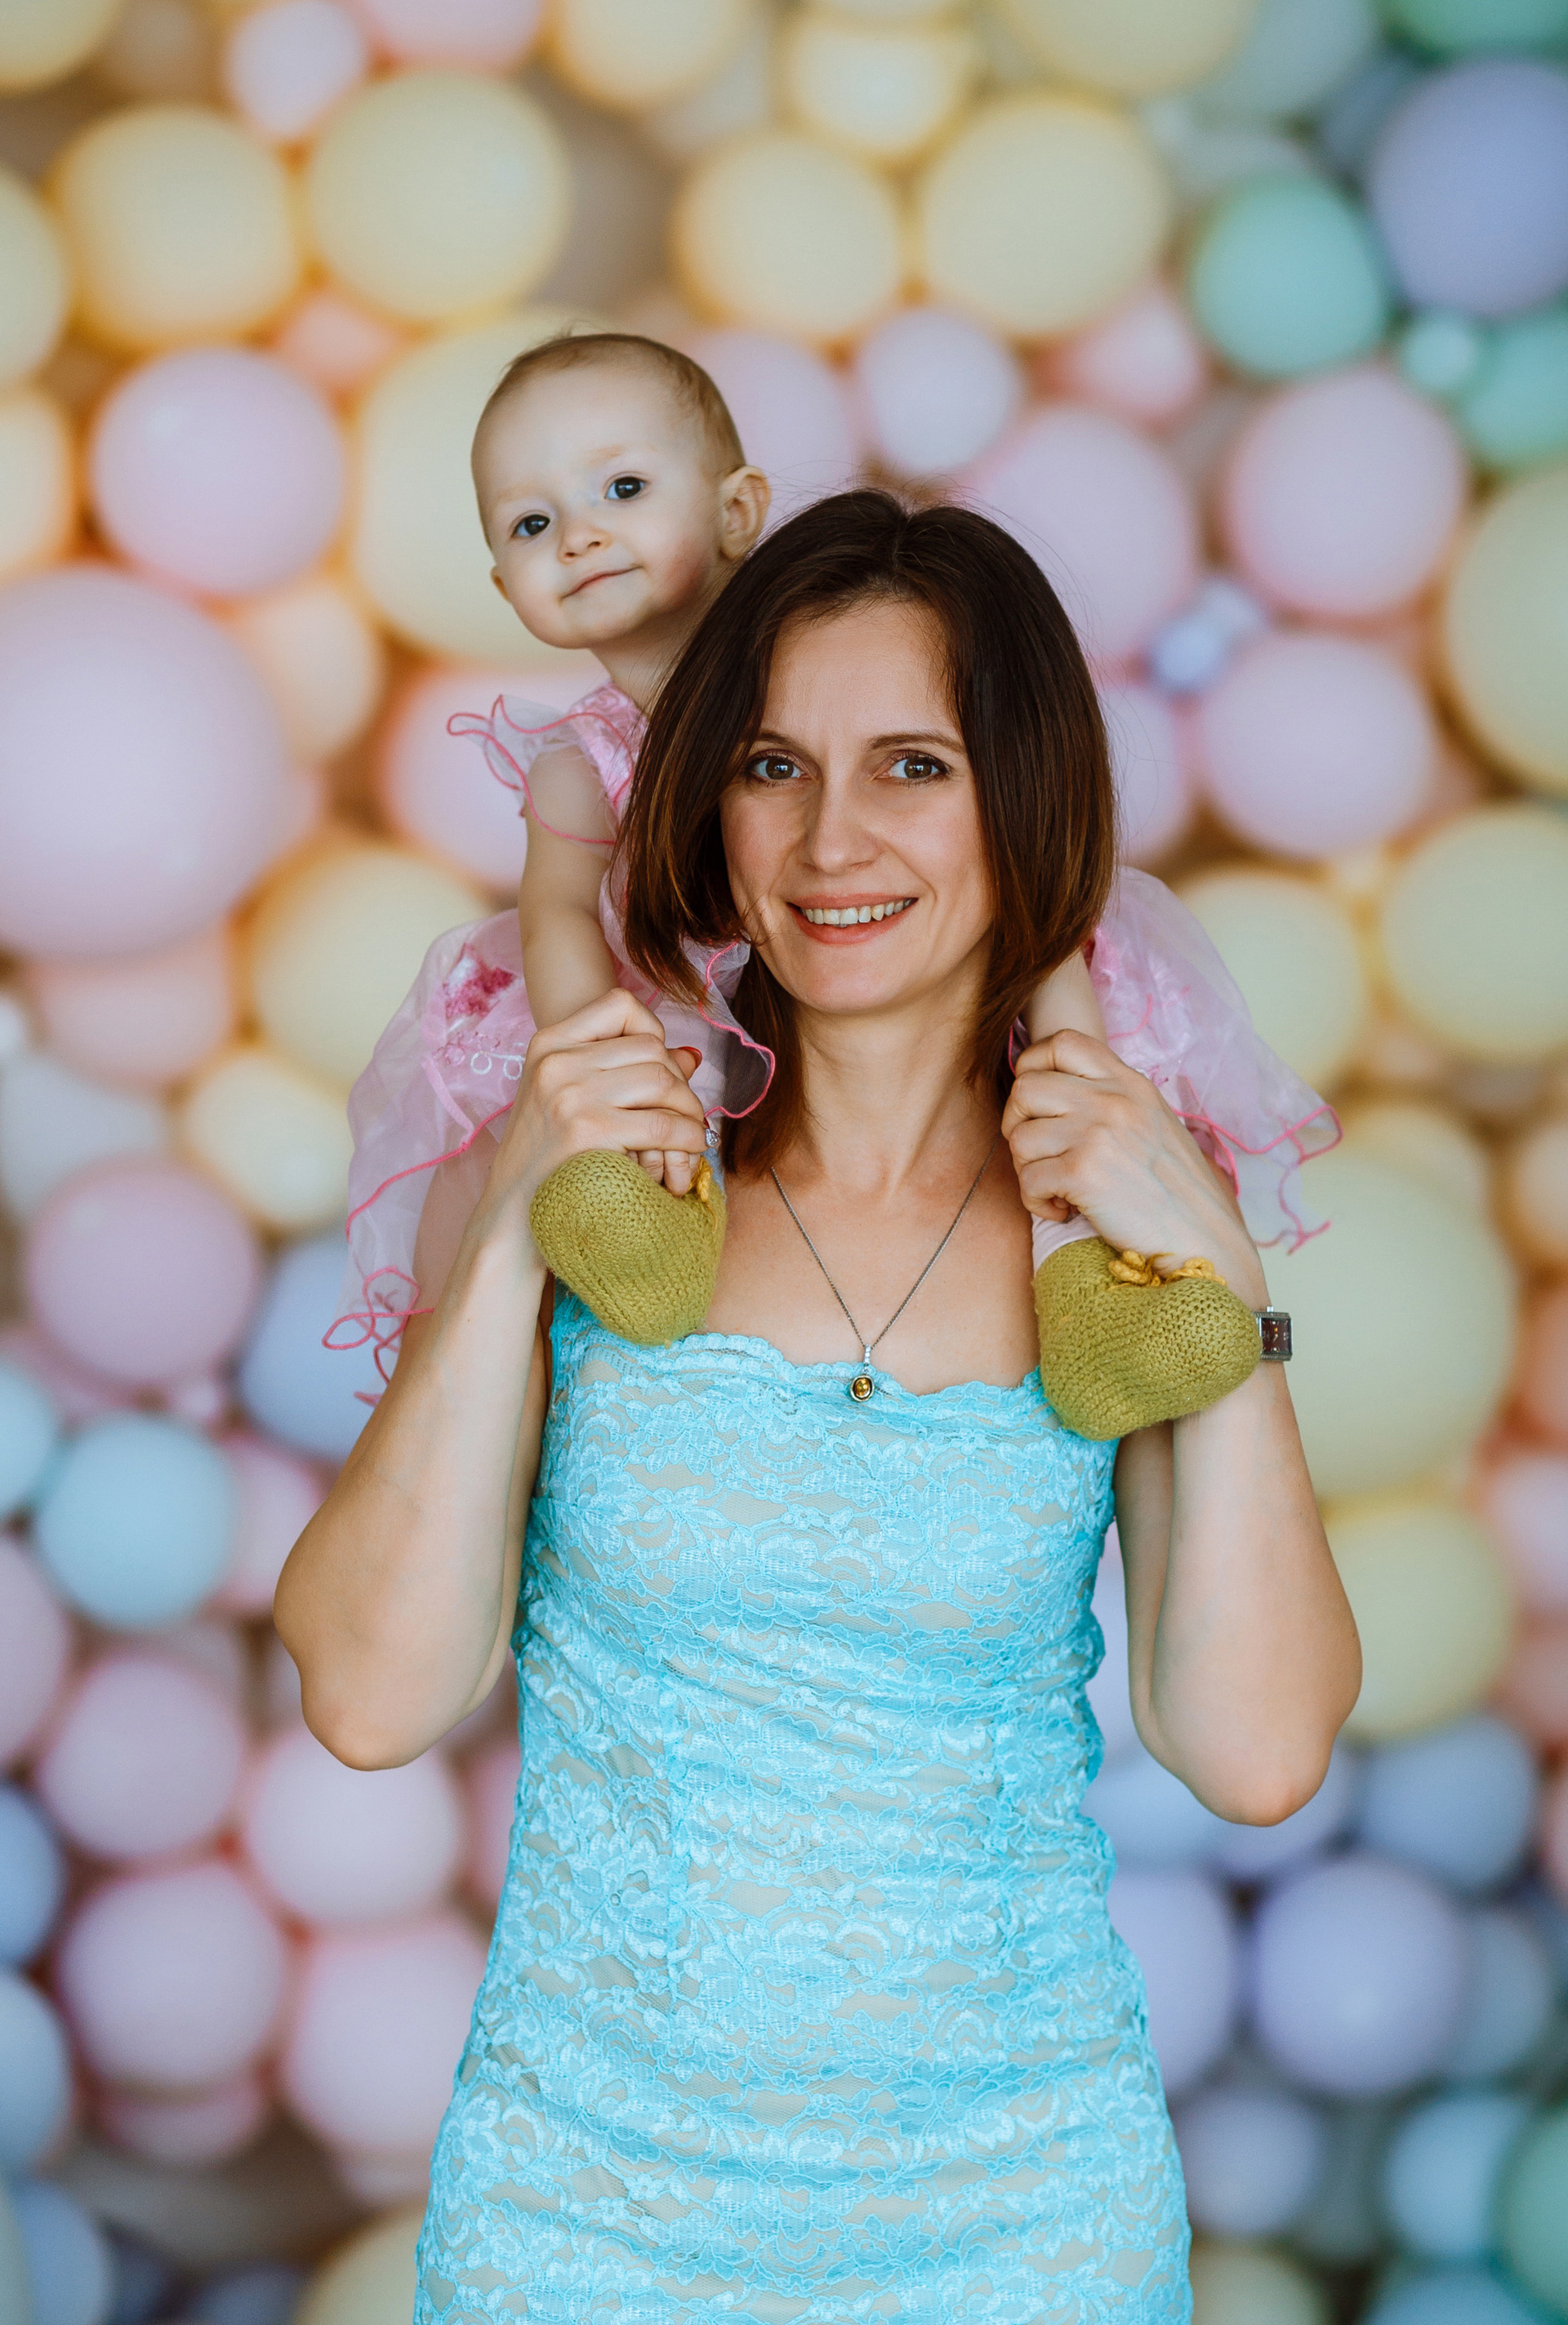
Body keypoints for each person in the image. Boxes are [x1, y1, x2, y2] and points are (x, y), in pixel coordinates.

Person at [279, 491, 1361, 2321]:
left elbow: (1255, 1756)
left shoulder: (1116, 1238)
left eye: (913, 766)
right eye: (774, 765)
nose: (831, 839)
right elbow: (372, 1701)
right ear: (710, 802)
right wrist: (515, 1217)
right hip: (586, 2219)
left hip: (1024, 2226)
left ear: (1029, 804)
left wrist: (1227, 1284)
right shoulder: (603, 1178)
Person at [332, 333, 1332, 1437]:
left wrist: (1089, 1077)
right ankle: (655, 1213)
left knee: (1061, 1087)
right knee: (660, 1099)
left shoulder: (812, 655)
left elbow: (1008, 864)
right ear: (501, 584)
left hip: (885, 989)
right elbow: (561, 911)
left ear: (736, 511)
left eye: (622, 489)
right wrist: (597, 1054)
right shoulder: (582, 759)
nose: (580, 536)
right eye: (531, 525)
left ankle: (1095, 1274)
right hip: (678, 992)